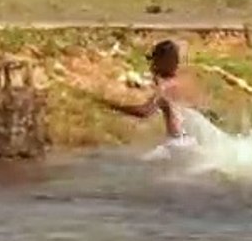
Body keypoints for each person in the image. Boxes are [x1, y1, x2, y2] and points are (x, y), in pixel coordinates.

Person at [95, 39, 223, 157]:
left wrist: (109, 104)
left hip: (178, 146)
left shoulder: (165, 88)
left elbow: (144, 112)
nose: (152, 66)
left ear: (164, 61)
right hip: (193, 143)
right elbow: (205, 113)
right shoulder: (187, 82)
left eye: (155, 61)